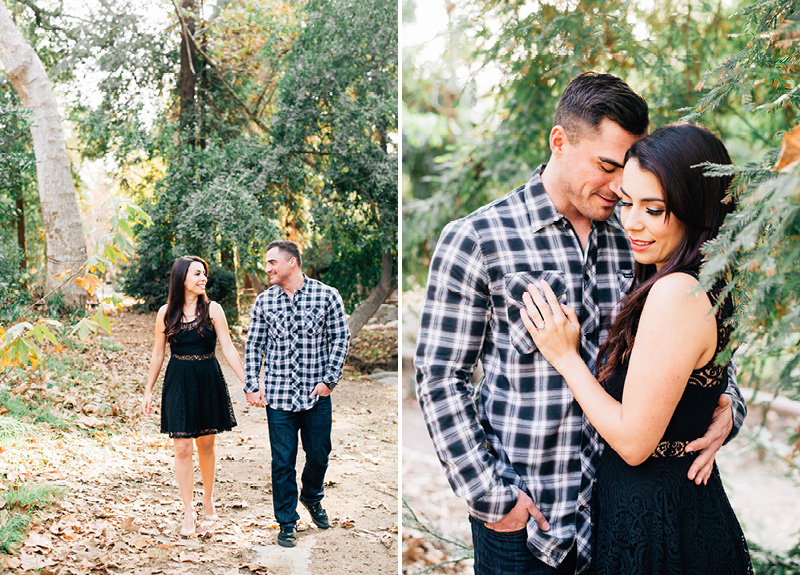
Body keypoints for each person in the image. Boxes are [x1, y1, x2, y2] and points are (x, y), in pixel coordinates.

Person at [414, 72, 747, 574]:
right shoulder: (477, 239)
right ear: (560, 142)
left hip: (619, 521)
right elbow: (440, 379)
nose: (619, 188)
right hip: (528, 525)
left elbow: (691, 338)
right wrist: (492, 499)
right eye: (607, 166)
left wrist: (728, 408)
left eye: (628, 169)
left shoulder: (640, 230)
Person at [521, 123, 753, 574]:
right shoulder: (700, 279)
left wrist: (566, 358)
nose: (631, 221)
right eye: (628, 202)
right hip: (670, 504)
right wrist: (728, 408)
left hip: (657, 518)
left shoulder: (674, 292)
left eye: (654, 208)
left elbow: (633, 443)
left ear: (693, 208)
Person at [244, 240, 351, 548]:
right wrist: (252, 383)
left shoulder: (327, 296)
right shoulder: (264, 302)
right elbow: (254, 346)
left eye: (272, 262)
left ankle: (311, 496)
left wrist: (330, 380)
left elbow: (340, 339)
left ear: (292, 263)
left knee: (319, 454)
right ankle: (287, 521)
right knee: (282, 462)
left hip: (316, 395)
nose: (267, 268)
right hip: (278, 397)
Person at [143, 255, 245, 537]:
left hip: (207, 379)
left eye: (204, 274)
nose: (203, 279)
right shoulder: (166, 313)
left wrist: (248, 382)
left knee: (206, 445)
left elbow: (228, 348)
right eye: (197, 274)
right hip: (177, 380)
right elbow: (158, 352)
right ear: (182, 278)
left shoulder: (214, 309)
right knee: (182, 447)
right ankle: (188, 510)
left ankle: (208, 498)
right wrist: (148, 390)